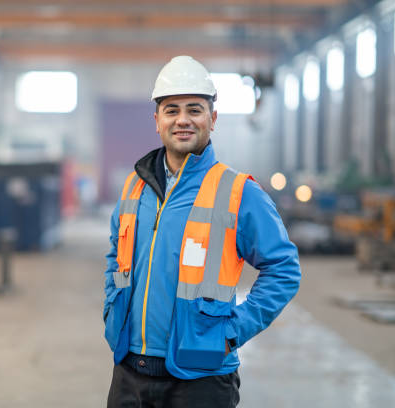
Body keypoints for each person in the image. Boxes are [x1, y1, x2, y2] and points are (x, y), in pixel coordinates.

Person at [103, 56, 301, 407]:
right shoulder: (135, 186)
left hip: (202, 378)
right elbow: (115, 255)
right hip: (129, 371)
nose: (182, 120)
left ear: (213, 118)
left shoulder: (239, 192)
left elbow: (283, 270)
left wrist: (232, 331)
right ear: (157, 120)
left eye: (194, 109)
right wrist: (111, 309)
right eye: (171, 110)